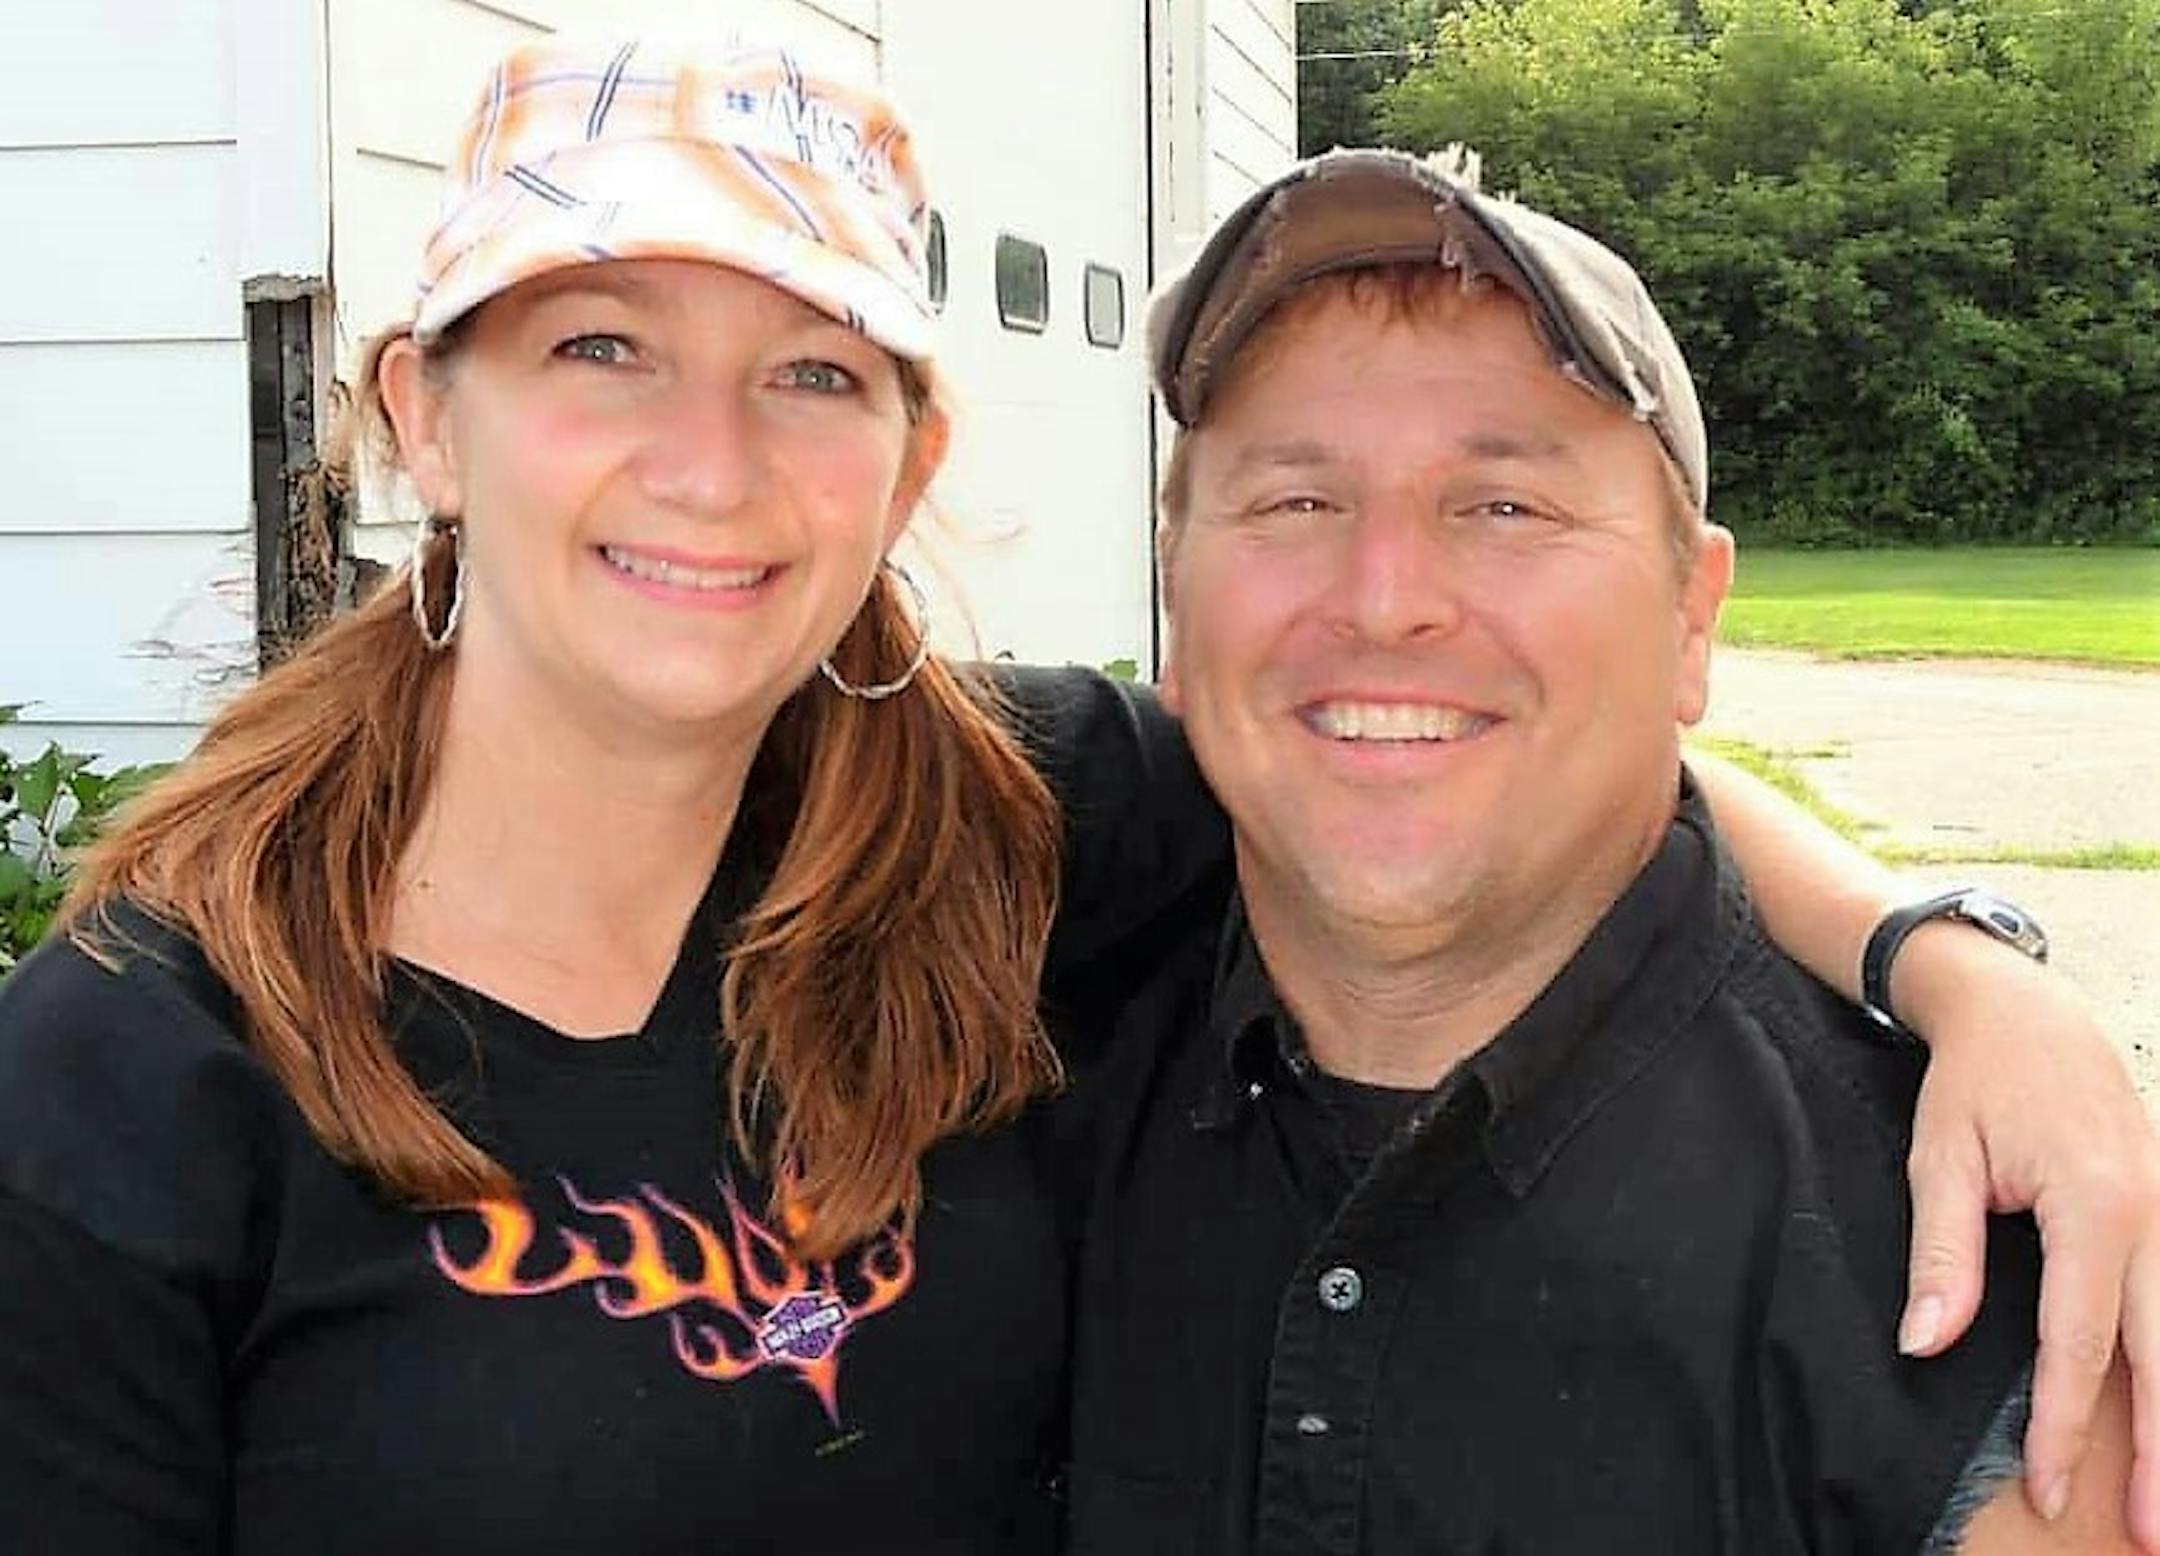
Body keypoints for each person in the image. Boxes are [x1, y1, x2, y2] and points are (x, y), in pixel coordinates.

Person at [0, 34, 2150, 1556]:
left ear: (907, 461)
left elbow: (1489, 749)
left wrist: (1959, 969)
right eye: (595, 348)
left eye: (813, 371)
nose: (713, 460)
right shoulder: (147, 1058)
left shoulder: (991, 827)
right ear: (421, 420)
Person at [1060, 144, 2151, 1553]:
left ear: (1691, 618)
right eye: (1296, 502)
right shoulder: (971, 1045)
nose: (1387, 600)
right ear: (1173, 592)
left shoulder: (1976, 1284)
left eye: (1505, 507)